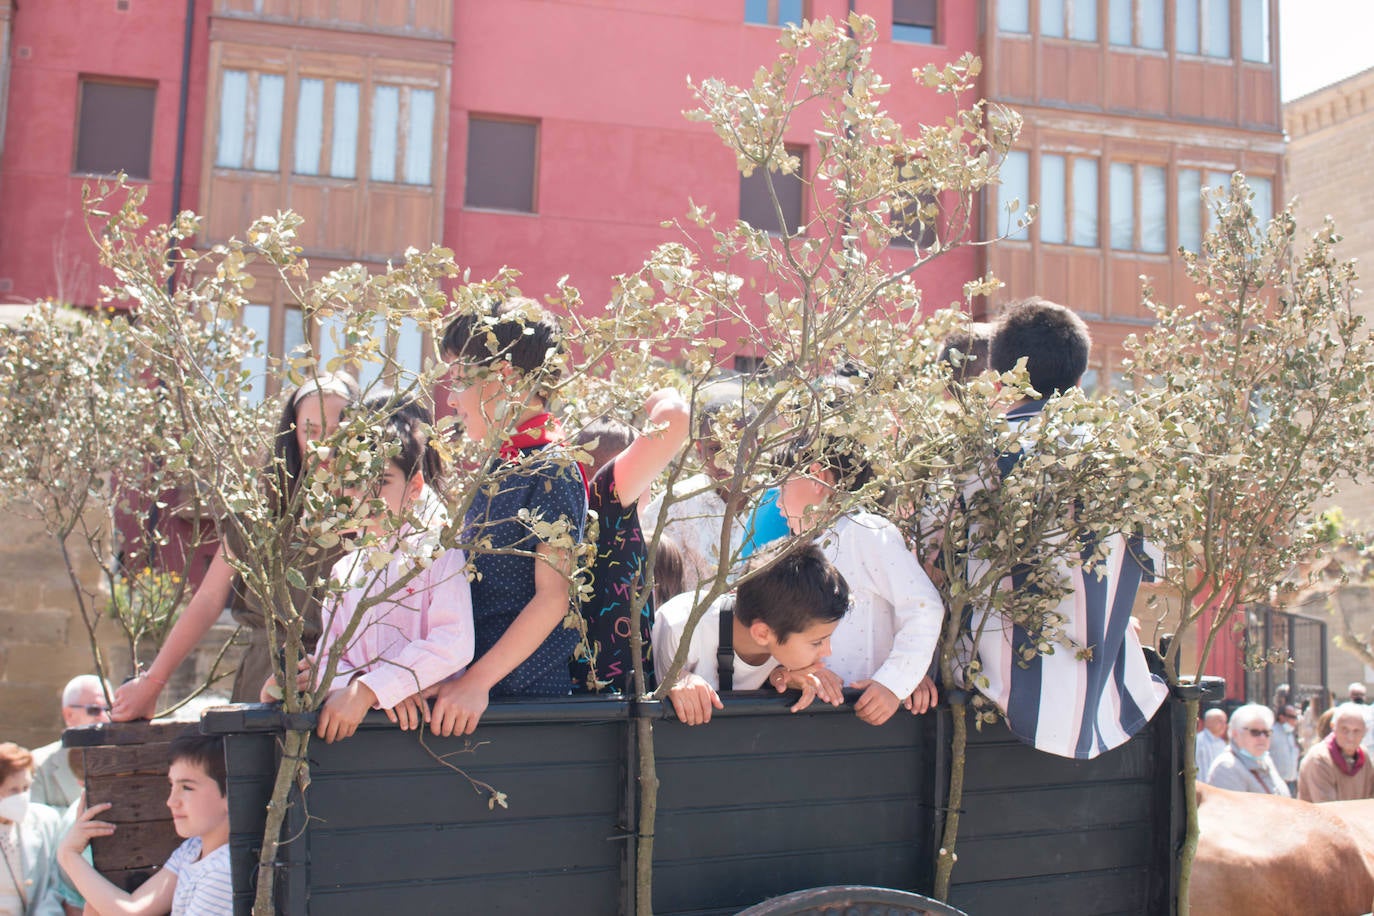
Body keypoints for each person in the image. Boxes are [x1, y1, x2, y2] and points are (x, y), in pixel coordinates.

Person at [965, 298, 1168, 759]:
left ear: (1001, 377)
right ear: (1080, 378)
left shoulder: (972, 453)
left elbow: (933, 564)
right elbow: (1151, 567)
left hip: (988, 695)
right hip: (1112, 703)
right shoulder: (1125, 456)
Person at [112, 372, 361, 718]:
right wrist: (152, 683)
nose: (325, 447)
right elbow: (209, 599)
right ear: (293, 434)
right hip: (262, 678)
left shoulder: (372, 516)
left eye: (337, 433)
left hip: (341, 685)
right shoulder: (258, 516)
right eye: (312, 432)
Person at [264, 397, 475, 744]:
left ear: (415, 487)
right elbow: (334, 658)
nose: (365, 498)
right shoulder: (344, 570)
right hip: (358, 736)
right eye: (352, 484)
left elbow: (452, 644)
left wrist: (370, 690)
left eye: (380, 483)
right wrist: (349, 686)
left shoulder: (437, 552)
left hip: (433, 736)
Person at [429, 299, 588, 737]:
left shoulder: (551, 467)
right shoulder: (502, 462)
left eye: (459, 378)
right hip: (473, 693)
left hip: (520, 702)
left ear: (506, 377)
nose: (451, 396)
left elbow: (552, 598)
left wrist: (477, 682)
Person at [774, 432, 943, 725]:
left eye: (782, 487)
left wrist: (895, 681)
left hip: (866, 712)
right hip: (815, 713)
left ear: (817, 478)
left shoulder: (865, 531)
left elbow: (923, 607)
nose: (777, 503)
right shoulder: (799, 546)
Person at [571, 389, 691, 694]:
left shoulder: (571, 528)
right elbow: (675, 415)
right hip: (611, 707)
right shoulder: (605, 507)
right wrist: (655, 399)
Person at [652, 544, 851, 725]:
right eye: (818, 642)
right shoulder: (681, 628)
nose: (828, 652)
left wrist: (782, 679)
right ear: (762, 633)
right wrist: (677, 680)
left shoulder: (782, 628)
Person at [58, 731, 232, 916]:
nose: (171, 801)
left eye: (187, 787)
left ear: (232, 794)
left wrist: (68, 856)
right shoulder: (193, 849)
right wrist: (69, 855)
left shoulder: (223, 871)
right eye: (172, 785)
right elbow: (133, 909)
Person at [641, 389, 754, 592]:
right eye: (714, 448)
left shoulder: (779, 502)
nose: (725, 459)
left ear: (757, 446)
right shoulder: (677, 505)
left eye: (737, 447)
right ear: (700, 451)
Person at [0, 743, 64, 916]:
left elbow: (57, 882)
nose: (22, 796)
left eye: (26, 788)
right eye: (13, 790)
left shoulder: (46, 821)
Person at [30, 675, 111, 810]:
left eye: (109, 709)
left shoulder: (128, 760)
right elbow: (33, 826)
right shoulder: (36, 765)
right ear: (69, 715)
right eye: (94, 710)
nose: (104, 717)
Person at [1206, 704, 1290, 797]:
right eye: (1255, 732)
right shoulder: (1226, 767)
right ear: (1235, 734)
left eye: (1266, 732)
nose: (1262, 738)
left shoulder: (1265, 759)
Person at [1296, 703, 1374, 802]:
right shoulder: (1320, 758)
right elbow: (1327, 808)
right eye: (1345, 729)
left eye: (1356, 731)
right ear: (1333, 727)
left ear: (1365, 732)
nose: (1350, 737)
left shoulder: (1363, 756)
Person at [1269, 704, 1302, 796]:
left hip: (1291, 782)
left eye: (1296, 717)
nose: (1295, 720)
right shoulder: (1272, 733)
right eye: (1292, 717)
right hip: (1276, 783)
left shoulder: (1290, 734)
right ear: (1281, 717)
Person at [1194, 708, 1229, 784]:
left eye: (1225, 722)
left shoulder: (1222, 744)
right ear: (1208, 722)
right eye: (1220, 721)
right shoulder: (1197, 741)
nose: (1224, 725)